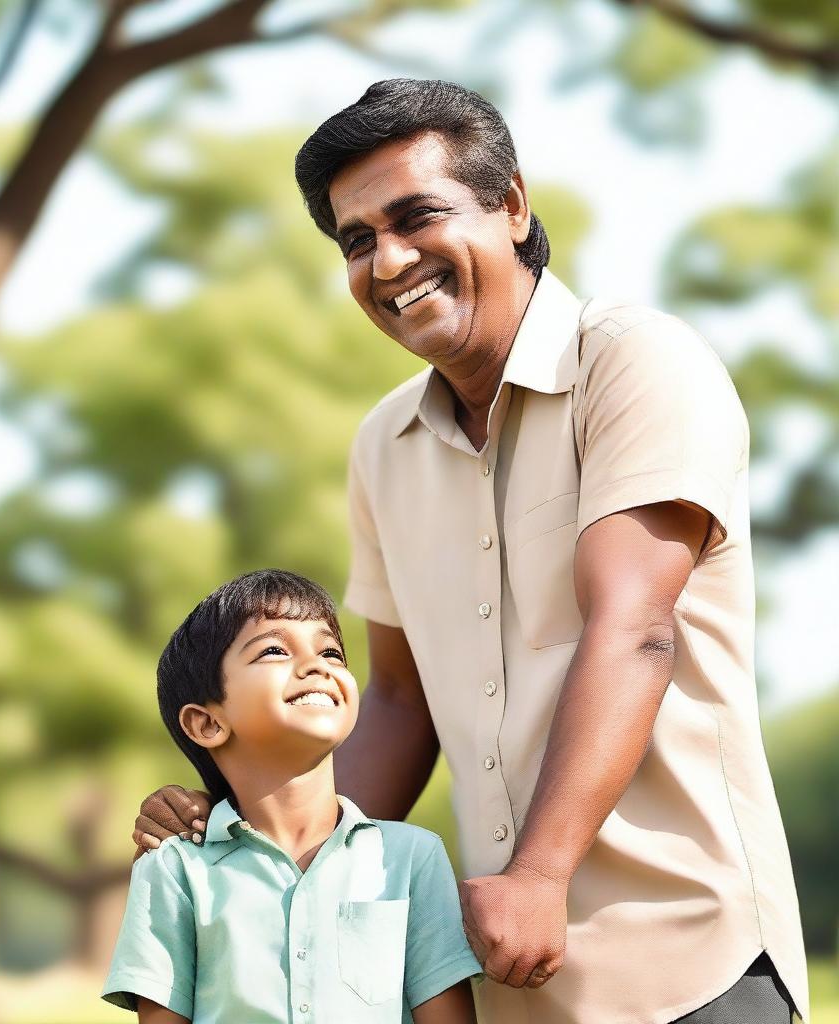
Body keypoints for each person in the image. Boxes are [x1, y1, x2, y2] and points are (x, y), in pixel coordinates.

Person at [131, 80, 808, 1023]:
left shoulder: (634, 363)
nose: (389, 260)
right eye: (357, 240)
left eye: (416, 216)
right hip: (502, 981)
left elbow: (636, 627)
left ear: (512, 205)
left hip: (689, 965)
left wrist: (539, 873)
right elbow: (401, 703)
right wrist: (243, 837)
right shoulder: (382, 447)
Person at [103, 568, 481, 1023]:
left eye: (331, 651)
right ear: (207, 723)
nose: (318, 665)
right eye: (275, 650)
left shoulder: (412, 858)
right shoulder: (174, 868)